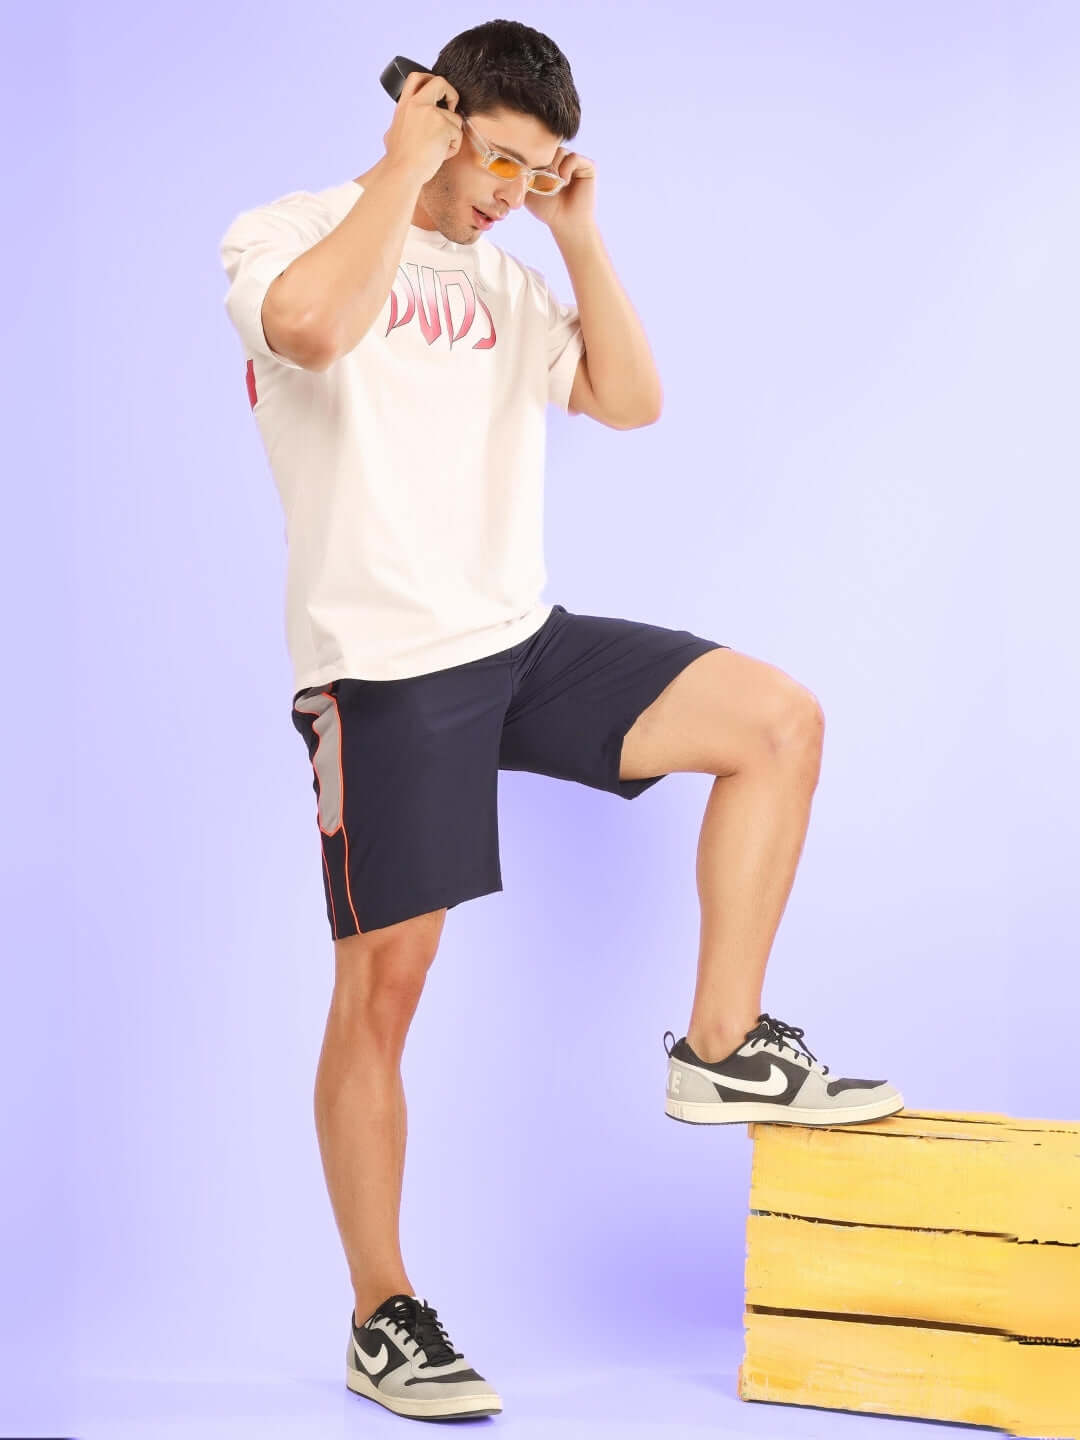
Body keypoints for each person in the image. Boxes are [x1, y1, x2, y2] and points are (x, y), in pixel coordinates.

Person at [218, 18, 903, 1423]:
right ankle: (383, 1315)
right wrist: (401, 172)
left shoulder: (513, 279)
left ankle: (720, 1046)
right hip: (383, 669)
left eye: (537, 175)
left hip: (520, 640)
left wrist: (577, 237)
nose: (510, 194)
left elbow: (632, 402)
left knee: (777, 723)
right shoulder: (291, 233)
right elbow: (313, 331)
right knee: (385, 991)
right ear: (436, 116)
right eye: (499, 163)